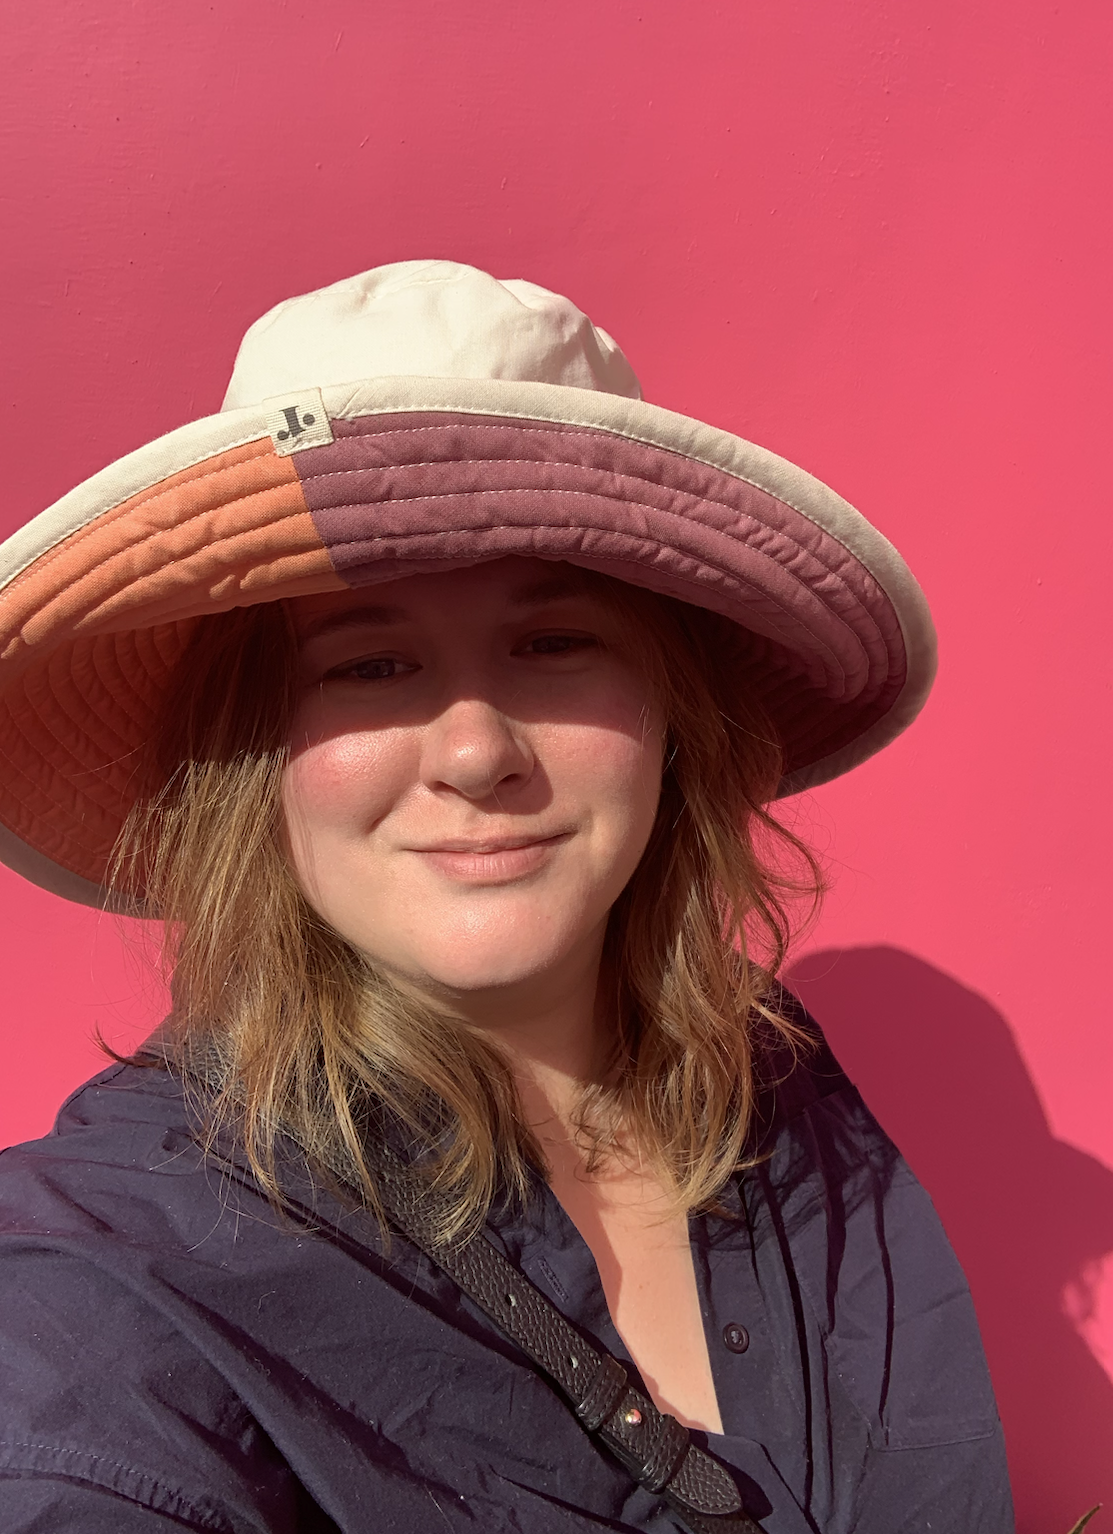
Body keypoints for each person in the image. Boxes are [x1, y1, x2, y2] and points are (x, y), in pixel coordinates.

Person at [0, 261, 1013, 1532]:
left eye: (554, 644)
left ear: (670, 712)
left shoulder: (770, 1087)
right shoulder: (104, 1281)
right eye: (368, 664)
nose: (477, 751)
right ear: (250, 760)